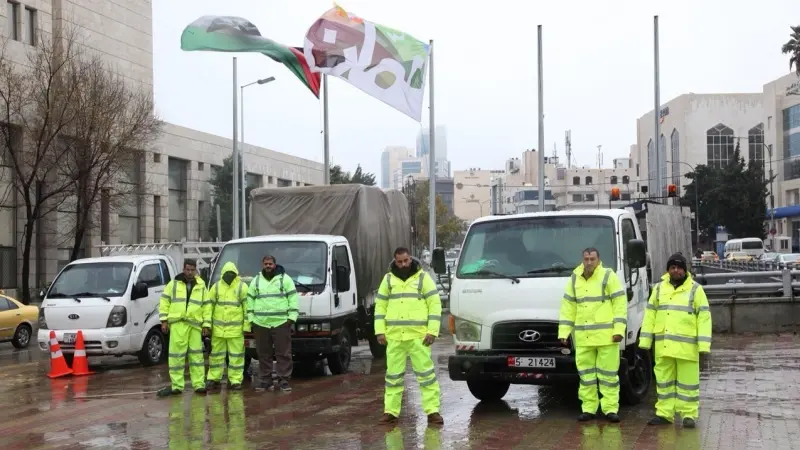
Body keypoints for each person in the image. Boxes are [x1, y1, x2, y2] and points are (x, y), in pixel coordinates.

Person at [639, 253, 712, 428]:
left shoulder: (695, 290)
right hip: (664, 347)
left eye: (679, 267)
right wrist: (645, 341)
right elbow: (650, 316)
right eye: (672, 267)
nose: (676, 270)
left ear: (685, 270)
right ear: (668, 269)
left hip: (687, 348)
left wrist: (704, 345)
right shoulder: (658, 289)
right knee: (664, 383)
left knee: (688, 384)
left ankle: (689, 415)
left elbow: (704, 318)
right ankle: (665, 414)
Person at [375, 247, 444, 425]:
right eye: (400, 261)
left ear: (410, 259)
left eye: (406, 260)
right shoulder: (388, 280)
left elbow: (435, 305)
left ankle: (433, 411)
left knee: (427, 376)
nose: (404, 264)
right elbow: (380, 306)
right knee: (393, 378)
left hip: (418, 337)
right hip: (395, 337)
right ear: (395, 261)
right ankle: (390, 412)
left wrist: (432, 331)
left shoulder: (423, 278)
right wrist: (379, 331)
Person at [558, 247, 627, 422]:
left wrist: (619, 330)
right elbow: (568, 308)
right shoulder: (574, 279)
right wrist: (564, 333)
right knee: (586, 377)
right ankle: (589, 409)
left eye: (592, 259)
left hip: (607, 337)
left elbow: (620, 304)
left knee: (608, 376)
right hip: (583, 338)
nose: (589, 262)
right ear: (583, 260)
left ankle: (610, 410)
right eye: (586, 259)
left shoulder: (608, 276)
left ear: (598, 260)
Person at [157, 259, 209, 397]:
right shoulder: (173, 284)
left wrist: (206, 324)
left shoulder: (201, 286)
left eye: (192, 270)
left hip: (194, 325)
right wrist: (164, 320)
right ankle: (177, 386)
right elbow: (164, 301)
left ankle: (198, 384)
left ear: (195, 270)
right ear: (183, 269)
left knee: (196, 356)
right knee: (176, 356)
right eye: (188, 269)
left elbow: (206, 306)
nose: (190, 272)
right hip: (178, 323)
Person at [247, 255, 298, 392]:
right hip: (261, 323)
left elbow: (293, 297)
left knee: (283, 353)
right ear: (262, 265)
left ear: (275, 264)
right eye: (265, 264)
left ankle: (284, 380)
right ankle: (265, 380)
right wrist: (251, 318)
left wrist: (292, 318)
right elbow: (250, 299)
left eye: (270, 263)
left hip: (281, 323)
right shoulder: (256, 281)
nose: (268, 266)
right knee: (264, 354)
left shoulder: (284, 279)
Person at [205, 261, 249, 391]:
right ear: (223, 273)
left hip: (235, 331)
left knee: (236, 357)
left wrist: (246, 326)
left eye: (232, 273)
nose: (229, 275)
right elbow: (209, 307)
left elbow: (247, 308)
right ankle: (214, 378)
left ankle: (235, 380)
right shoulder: (216, 287)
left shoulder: (242, 287)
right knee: (216, 356)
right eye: (227, 273)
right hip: (218, 331)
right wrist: (207, 324)